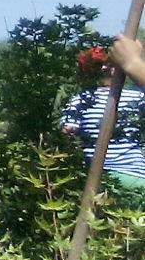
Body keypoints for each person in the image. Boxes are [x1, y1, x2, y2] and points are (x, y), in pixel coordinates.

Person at [62, 46, 145, 197]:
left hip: (99, 177)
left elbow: (67, 134)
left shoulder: (79, 100)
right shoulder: (135, 98)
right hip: (130, 174)